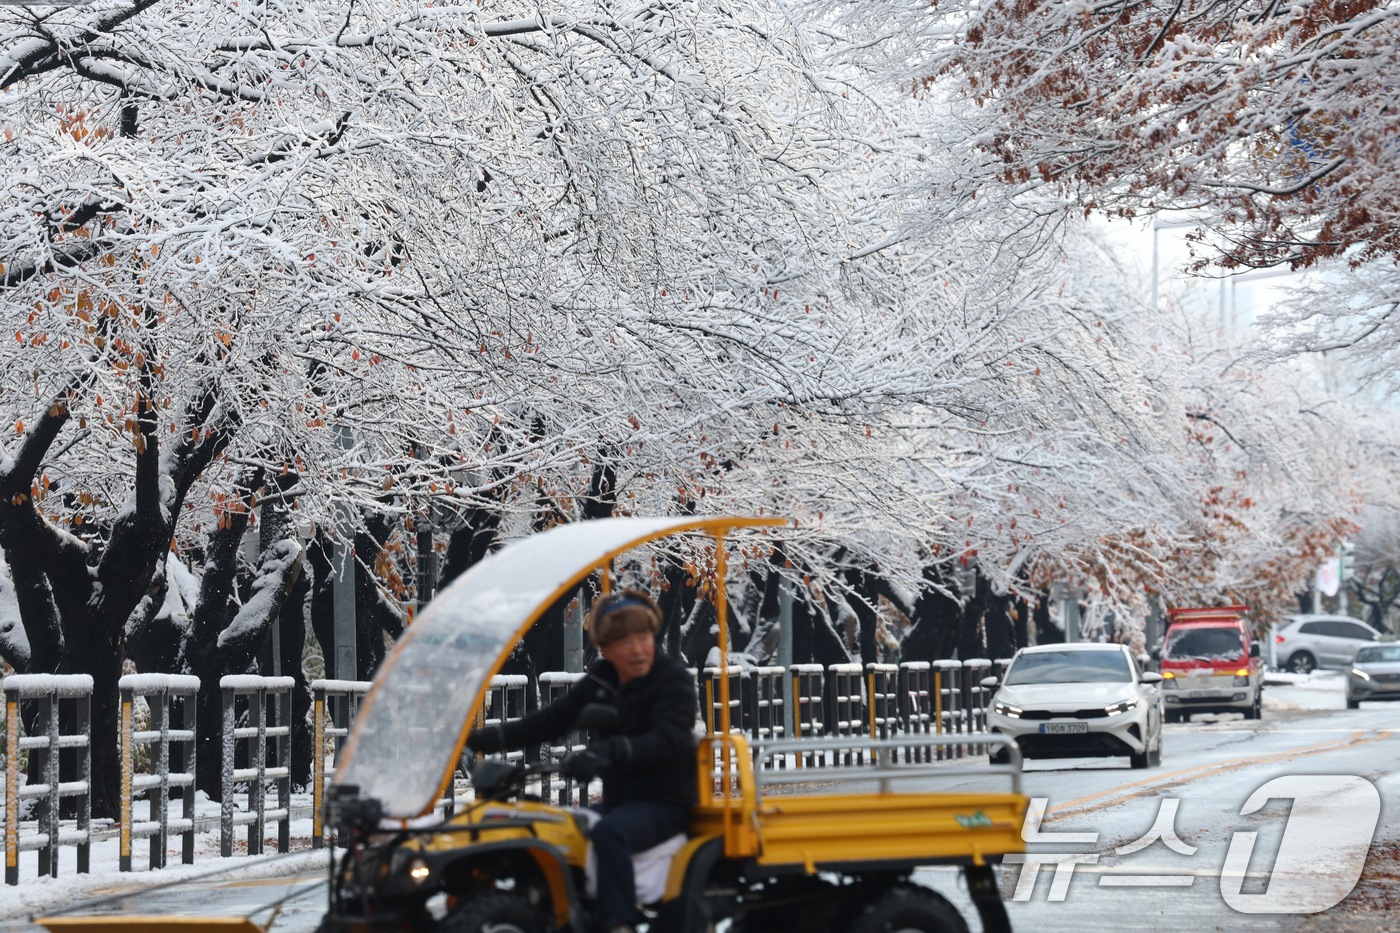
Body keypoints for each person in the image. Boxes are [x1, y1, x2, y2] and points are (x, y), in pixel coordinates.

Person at [467, 589, 697, 933]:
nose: (636, 649)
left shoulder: (672, 679)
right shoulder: (604, 678)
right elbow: (552, 720)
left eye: (643, 637)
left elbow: (669, 739)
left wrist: (608, 751)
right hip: (622, 801)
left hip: (665, 803)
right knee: (554, 830)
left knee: (609, 832)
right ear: (605, 648)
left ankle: (618, 923)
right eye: (623, 641)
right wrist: (483, 738)